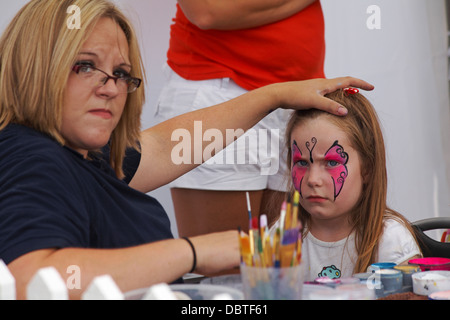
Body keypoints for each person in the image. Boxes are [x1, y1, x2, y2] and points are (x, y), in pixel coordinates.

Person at [0, 0, 373, 299]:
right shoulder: (33, 157)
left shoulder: (83, 155)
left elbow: (166, 146)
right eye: (85, 66)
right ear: (36, 64)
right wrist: (196, 252)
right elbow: (31, 279)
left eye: (121, 74)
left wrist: (274, 95)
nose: (111, 88)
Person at [156, 0, 326, 236]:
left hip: (297, 99)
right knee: (225, 267)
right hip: (222, 93)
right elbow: (208, 10)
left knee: (286, 263)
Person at [273, 88, 421, 281]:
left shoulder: (391, 243)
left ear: (367, 169)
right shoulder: (283, 234)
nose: (313, 179)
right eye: (302, 163)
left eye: (332, 163)